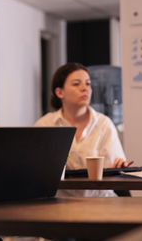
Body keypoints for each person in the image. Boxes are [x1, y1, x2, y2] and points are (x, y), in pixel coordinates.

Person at [35, 63, 133, 197]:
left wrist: (119, 167)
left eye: (88, 84)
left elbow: (115, 166)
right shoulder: (45, 125)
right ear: (59, 92)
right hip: (59, 204)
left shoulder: (103, 123)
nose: (84, 88)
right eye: (76, 84)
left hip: (100, 202)